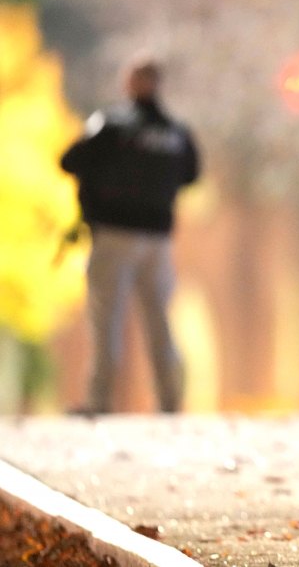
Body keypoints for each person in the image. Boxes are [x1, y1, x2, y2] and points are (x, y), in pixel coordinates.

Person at [61, 57, 201, 414]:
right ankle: (170, 401)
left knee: (107, 320)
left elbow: (69, 160)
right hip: (157, 239)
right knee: (160, 322)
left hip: (114, 235)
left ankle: (100, 400)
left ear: (131, 84)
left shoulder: (110, 126)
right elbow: (190, 175)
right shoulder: (177, 132)